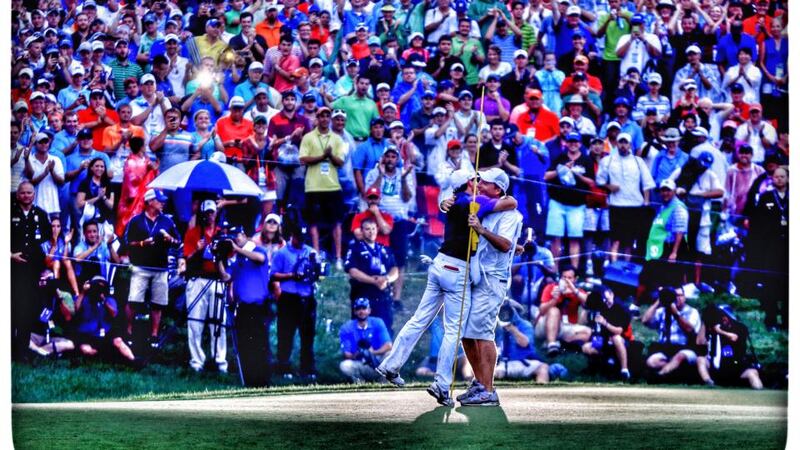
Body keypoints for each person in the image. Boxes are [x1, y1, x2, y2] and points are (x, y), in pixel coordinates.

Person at [376, 169, 516, 407]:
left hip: (439, 264)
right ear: (467, 183)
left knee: (418, 319)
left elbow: (453, 202)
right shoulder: (474, 202)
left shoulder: (454, 201)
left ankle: (390, 366)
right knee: (454, 330)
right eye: (475, 180)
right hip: (457, 270)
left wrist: (444, 201)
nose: (478, 182)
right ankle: (442, 385)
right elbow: (511, 202)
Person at [458, 168, 522, 406]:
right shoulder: (486, 206)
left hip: (493, 280)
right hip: (478, 277)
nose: (480, 185)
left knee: (483, 333)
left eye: (484, 183)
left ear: (497, 189)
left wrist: (481, 230)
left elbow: (504, 244)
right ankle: (480, 383)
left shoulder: (510, 215)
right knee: (466, 333)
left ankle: (488, 390)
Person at [122, 188, 181, 349]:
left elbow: (178, 242)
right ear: (149, 202)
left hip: (160, 268)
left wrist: (170, 240)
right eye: (159, 200)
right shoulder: (135, 220)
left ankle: (154, 335)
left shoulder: (167, 221)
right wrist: (142, 243)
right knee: (134, 300)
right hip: (140, 266)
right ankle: (129, 331)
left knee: (158, 302)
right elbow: (126, 243)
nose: (162, 203)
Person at [218, 224, 274, 387]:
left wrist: (236, 249)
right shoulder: (238, 260)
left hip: (258, 306)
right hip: (243, 308)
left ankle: (263, 381)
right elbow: (226, 277)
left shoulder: (257, 250)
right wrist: (218, 259)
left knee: (259, 344)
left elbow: (260, 259)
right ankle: (250, 380)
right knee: (245, 345)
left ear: (244, 235)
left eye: (237, 236)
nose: (235, 240)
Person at [270, 224, 321, 381]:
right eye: (299, 238)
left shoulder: (311, 252)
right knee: (285, 334)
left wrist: (317, 271)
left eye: (304, 239)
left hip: (307, 297)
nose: (301, 242)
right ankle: (283, 368)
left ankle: (307, 368)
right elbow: (273, 275)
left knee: (307, 335)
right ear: (293, 236)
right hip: (289, 298)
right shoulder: (282, 253)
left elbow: (319, 274)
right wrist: (291, 275)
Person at [182, 200, 227, 373]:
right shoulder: (193, 233)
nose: (210, 215)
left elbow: (229, 257)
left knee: (219, 322)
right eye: (207, 212)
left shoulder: (222, 233)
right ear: (202, 214)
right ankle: (197, 361)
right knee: (195, 321)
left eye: (212, 212)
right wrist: (197, 249)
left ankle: (220, 360)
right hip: (197, 279)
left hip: (217, 280)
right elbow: (187, 257)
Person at [595, 132, 656, 262]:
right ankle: (614, 267)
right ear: (617, 144)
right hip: (616, 205)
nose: (623, 145)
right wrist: (609, 186)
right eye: (621, 142)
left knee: (629, 242)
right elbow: (599, 180)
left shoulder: (638, 161)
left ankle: (627, 268)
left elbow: (647, 183)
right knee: (615, 241)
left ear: (630, 145)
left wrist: (646, 202)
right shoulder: (608, 160)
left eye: (625, 143)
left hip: (635, 206)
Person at [298, 107, 346, 268]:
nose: (325, 119)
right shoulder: (308, 137)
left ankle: (338, 257)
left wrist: (330, 156)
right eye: (321, 116)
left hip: (332, 185)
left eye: (327, 116)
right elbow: (303, 159)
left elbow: (340, 162)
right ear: (317, 118)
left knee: (336, 222)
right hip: (313, 186)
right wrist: (322, 157)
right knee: (313, 222)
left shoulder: (337, 138)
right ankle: (316, 255)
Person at [11, 181, 52, 361]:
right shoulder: (9, 212)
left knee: (27, 310)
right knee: (11, 308)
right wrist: (10, 255)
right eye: (23, 193)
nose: (26, 196)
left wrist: (44, 268)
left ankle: (22, 351)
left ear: (34, 195)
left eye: (29, 193)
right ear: (17, 194)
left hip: (32, 271)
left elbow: (46, 242)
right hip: (12, 268)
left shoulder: (41, 215)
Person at [746, 166, 788, 331]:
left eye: (782, 176)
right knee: (770, 282)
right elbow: (757, 222)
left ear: (788, 178)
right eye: (776, 176)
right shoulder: (766, 197)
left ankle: (787, 320)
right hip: (771, 247)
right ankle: (771, 319)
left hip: (789, 247)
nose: (779, 179)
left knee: (788, 283)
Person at [345, 218, 399, 333]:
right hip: (363, 295)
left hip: (383, 296)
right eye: (367, 229)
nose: (371, 232)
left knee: (385, 330)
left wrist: (386, 279)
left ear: (377, 229)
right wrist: (373, 281)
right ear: (362, 231)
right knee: (362, 332)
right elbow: (352, 271)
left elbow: (395, 269)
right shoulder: (355, 249)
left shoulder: (384, 249)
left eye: (373, 229)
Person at [696, 304, 763, 389]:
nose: (723, 318)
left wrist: (720, 331)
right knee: (700, 359)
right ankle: (709, 383)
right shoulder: (712, 328)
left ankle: (759, 392)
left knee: (752, 373)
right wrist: (705, 322)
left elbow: (734, 337)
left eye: (724, 315)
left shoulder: (740, 327)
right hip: (717, 368)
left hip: (736, 368)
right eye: (720, 316)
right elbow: (700, 342)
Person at [72, 276, 136, 363]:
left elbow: (113, 314)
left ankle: (133, 360)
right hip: (87, 335)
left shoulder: (109, 300)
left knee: (118, 341)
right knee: (86, 350)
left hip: (105, 334)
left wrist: (104, 300)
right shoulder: (84, 298)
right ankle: (105, 355)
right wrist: (83, 292)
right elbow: (76, 309)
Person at [642, 286, 701, 380]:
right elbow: (645, 321)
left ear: (684, 297)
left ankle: (660, 376)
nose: (676, 298)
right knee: (651, 362)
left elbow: (690, 330)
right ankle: (674, 372)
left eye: (679, 295)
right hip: (666, 350)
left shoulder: (692, 312)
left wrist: (676, 314)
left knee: (679, 357)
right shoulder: (662, 311)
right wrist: (659, 300)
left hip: (685, 349)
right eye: (673, 295)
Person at [534, 265, 592, 357]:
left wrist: (574, 291)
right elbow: (541, 310)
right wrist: (554, 300)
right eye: (564, 277)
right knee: (554, 311)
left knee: (588, 333)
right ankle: (551, 345)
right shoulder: (551, 287)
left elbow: (590, 303)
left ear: (575, 279)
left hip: (565, 327)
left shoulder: (577, 291)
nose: (566, 281)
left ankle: (560, 344)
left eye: (569, 278)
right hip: (545, 325)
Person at [581, 285, 633, 381]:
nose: (605, 301)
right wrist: (586, 306)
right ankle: (601, 365)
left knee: (616, 338)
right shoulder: (600, 307)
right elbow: (583, 323)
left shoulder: (621, 309)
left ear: (611, 294)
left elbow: (619, 331)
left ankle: (624, 370)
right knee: (586, 347)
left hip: (622, 342)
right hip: (605, 341)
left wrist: (605, 323)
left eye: (606, 298)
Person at [338, 298, 393, 383]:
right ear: (355, 311)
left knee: (390, 355)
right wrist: (359, 353)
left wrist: (372, 352)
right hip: (361, 362)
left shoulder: (378, 322)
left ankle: (383, 383)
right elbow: (347, 354)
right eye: (358, 309)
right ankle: (361, 385)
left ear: (369, 310)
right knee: (344, 365)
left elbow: (389, 345)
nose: (361, 311)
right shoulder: (347, 328)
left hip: (378, 360)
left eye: (364, 308)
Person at [494, 301, 550, 383]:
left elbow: (524, 344)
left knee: (542, 368)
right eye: (502, 311)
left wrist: (513, 330)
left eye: (507, 311)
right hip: (504, 364)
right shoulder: (498, 327)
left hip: (523, 362)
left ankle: (541, 389)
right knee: (488, 372)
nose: (505, 314)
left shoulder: (525, 325)